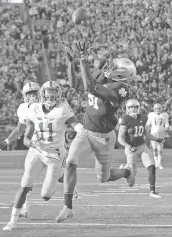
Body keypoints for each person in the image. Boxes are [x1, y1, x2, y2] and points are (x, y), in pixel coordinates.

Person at [56, 42, 136, 222]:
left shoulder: (120, 89)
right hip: (86, 132)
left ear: (121, 74)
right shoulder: (100, 75)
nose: (110, 67)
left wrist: (83, 60)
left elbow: (90, 87)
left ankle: (127, 172)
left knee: (104, 178)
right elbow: (76, 83)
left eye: (115, 67)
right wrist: (71, 62)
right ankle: (68, 207)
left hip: (105, 138)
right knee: (70, 163)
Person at [3, 80, 83, 230]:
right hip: (37, 152)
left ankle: (67, 183)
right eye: (48, 93)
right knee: (25, 184)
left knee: (45, 196)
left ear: (58, 94)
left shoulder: (63, 109)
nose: (51, 96)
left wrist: (84, 133)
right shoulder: (33, 109)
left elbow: (77, 126)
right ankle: (12, 220)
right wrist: (33, 144)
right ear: (43, 94)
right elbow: (26, 138)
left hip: (55, 155)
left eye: (54, 93)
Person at [0, 82, 41, 219]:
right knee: (28, 175)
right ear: (24, 95)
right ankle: (26, 209)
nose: (31, 96)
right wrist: (7, 141)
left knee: (55, 173)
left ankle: (72, 189)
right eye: (29, 94)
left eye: (34, 93)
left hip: (47, 142)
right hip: (33, 145)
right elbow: (19, 129)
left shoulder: (45, 105)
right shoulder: (22, 108)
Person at [117, 99, 164, 198]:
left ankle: (152, 191)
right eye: (131, 107)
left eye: (135, 107)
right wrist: (129, 146)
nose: (133, 109)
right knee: (131, 180)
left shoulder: (143, 117)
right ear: (127, 109)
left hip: (142, 146)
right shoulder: (125, 119)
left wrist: (157, 139)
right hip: (131, 149)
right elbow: (120, 139)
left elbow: (146, 133)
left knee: (152, 167)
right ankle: (124, 171)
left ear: (138, 108)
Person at [146, 103, 169, 169]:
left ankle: (159, 163)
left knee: (160, 149)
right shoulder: (151, 115)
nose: (158, 110)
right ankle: (156, 163)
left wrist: (166, 132)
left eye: (159, 108)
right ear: (154, 109)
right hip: (153, 133)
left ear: (161, 109)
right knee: (154, 148)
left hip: (161, 133)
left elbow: (167, 125)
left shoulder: (164, 115)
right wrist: (147, 132)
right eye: (156, 108)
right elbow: (147, 125)